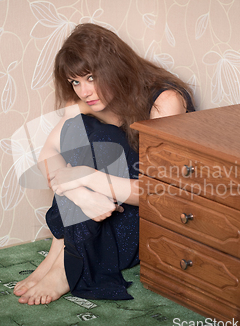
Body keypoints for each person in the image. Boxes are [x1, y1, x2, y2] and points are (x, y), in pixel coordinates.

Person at [13, 23, 195, 305]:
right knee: (81, 128)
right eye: (75, 82)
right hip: (99, 209)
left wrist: (86, 176)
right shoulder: (93, 102)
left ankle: (66, 265)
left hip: (143, 219)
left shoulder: (164, 102)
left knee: (98, 137)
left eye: (90, 77)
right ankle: (58, 253)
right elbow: (47, 152)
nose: (84, 91)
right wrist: (79, 193)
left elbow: (159, 192)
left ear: (115, 66)